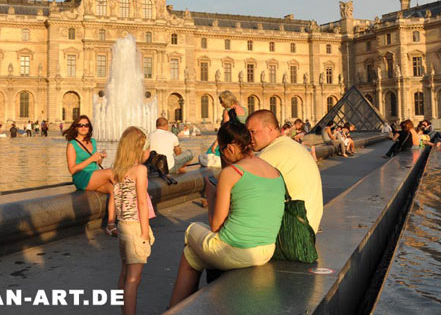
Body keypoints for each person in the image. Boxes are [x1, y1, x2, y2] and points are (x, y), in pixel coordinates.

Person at [168, 121, 285, 307]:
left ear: (230, 147)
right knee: (193, 254)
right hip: (266, 250)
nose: (222, 154)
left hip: (238, 251)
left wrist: (211, 195)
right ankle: (185, 307)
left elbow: (216, 225)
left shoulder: (232, 172)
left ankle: (176, 309)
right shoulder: (274, 171)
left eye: (221, 150)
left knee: (192, 232)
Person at [246, 109, 324, 233]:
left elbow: (242, 198)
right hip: (308, 227)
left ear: (270, 129)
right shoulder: (292, 146)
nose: (248, 137)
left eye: (252, 131)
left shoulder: (268, 156)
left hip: (291, 233)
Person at [112, 127, 154, 315]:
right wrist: (145, 233)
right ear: (138, 148)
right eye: (146, 148)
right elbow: (142, 202)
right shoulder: (140, 170)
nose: (148, 152)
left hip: (123, 225)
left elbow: (115, 199)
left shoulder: (119, 170)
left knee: (124, 274)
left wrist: (111, 222)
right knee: (133, 279)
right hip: (136, 226)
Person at [64, 116, 117, 235]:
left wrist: (100, 158)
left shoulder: (92, 141)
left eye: (86, 125)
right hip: (82, 177)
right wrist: (91, 159)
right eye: (80, 125)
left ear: (89, 127)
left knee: (114, 189)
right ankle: (135, 198)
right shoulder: (72, 145)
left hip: (94, 176)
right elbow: (72, 170)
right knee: (111, 171)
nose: (83, 127)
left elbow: (96, 163)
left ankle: (111, 224)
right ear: (76, 127)